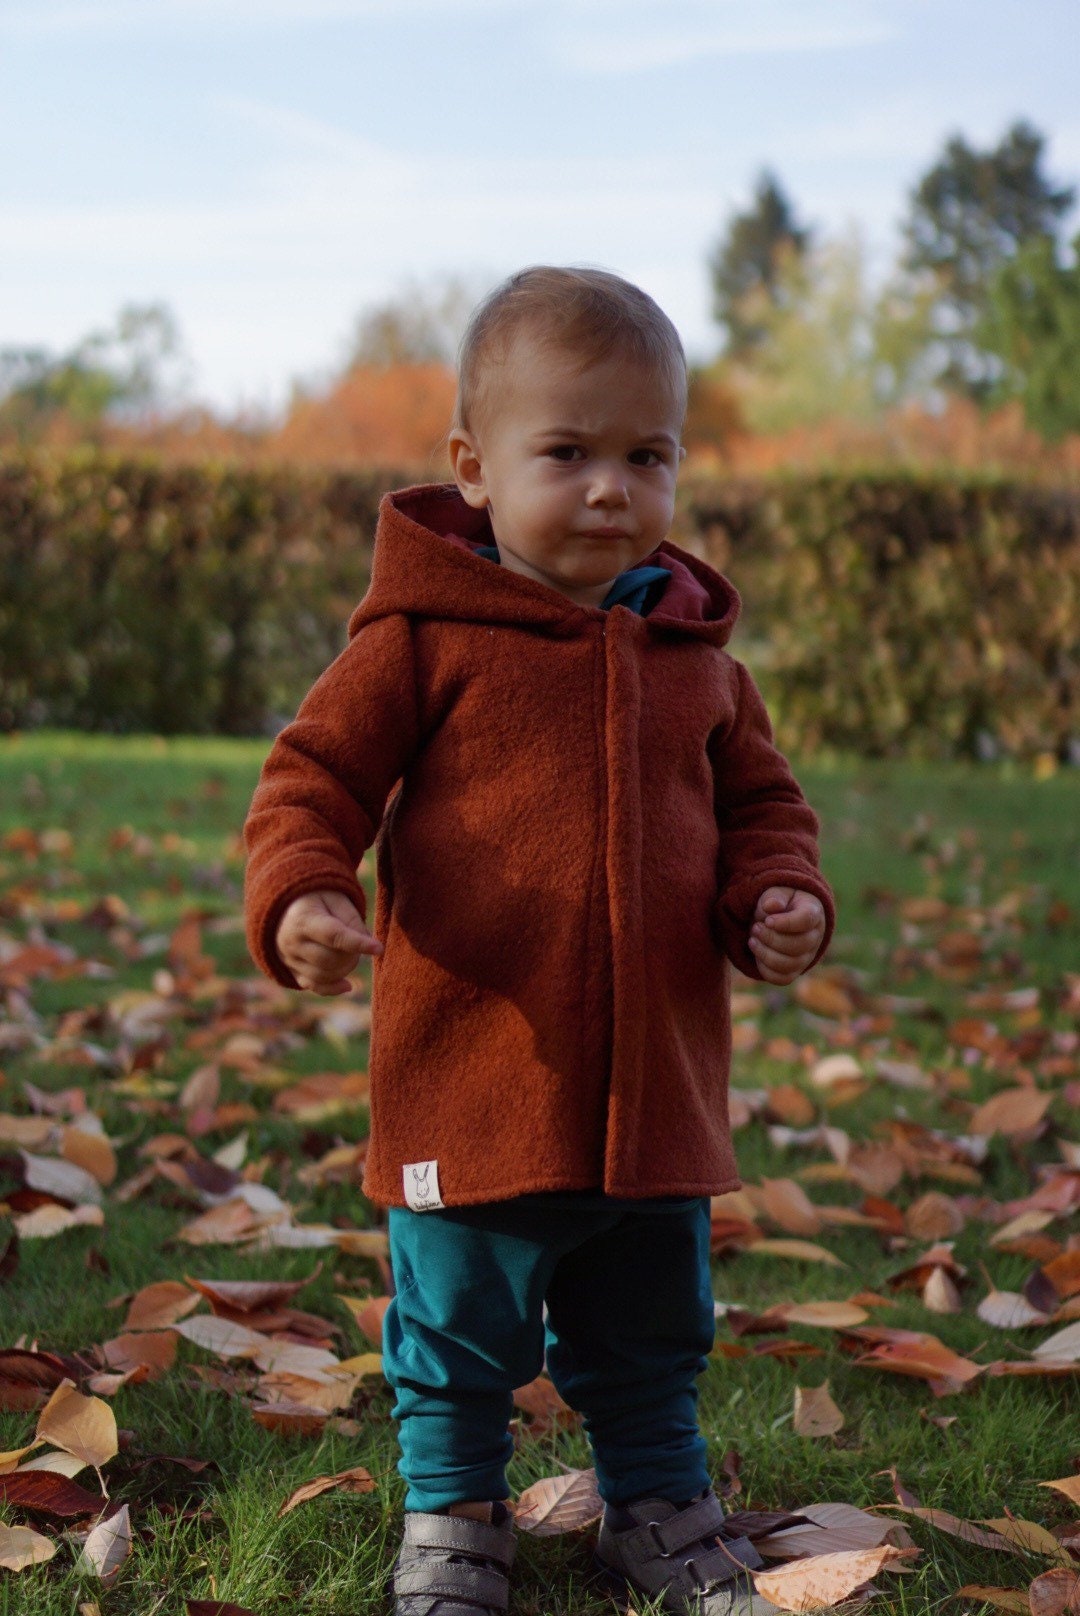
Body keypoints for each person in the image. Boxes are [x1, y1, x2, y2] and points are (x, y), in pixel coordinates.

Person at [243, 266, 835, 1616]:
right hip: (477, 1068)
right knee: (458, 1328)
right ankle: (454, 1520)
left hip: (654, 1092)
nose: (611, 488)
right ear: (476, 466)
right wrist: (303, 893)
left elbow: (764, 811)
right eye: (566, 453)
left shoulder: (700, 665)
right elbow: (312, 777)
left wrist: (778, 896)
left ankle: (659, 1509)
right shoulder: (423, 641)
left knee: (648, 1328)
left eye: (648, 454)